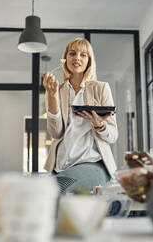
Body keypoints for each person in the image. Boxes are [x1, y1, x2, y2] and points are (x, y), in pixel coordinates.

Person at [42, 38, 118, 194]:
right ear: (66, 59)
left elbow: (113, 136)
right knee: (39, 192)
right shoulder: (57, 90)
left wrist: (99, 125)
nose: (77, 58)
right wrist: (51, 96)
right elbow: (56, 133)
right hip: (60, 166)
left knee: (53, 191)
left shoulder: (101, 88)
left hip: (93, 163)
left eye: (83, 55)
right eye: (72, 53)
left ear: (89, 61)